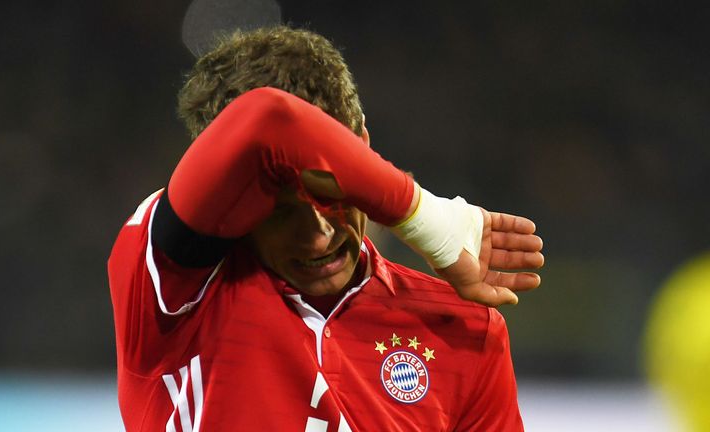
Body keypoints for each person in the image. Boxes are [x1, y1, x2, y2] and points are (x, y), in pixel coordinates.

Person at [108, 26, 544, 432]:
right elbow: (265, 120)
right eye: (280, 212)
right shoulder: (173, 288)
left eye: (331, 196)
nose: (318, 234)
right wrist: (426, 218)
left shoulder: (464, 333)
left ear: (365, 149)